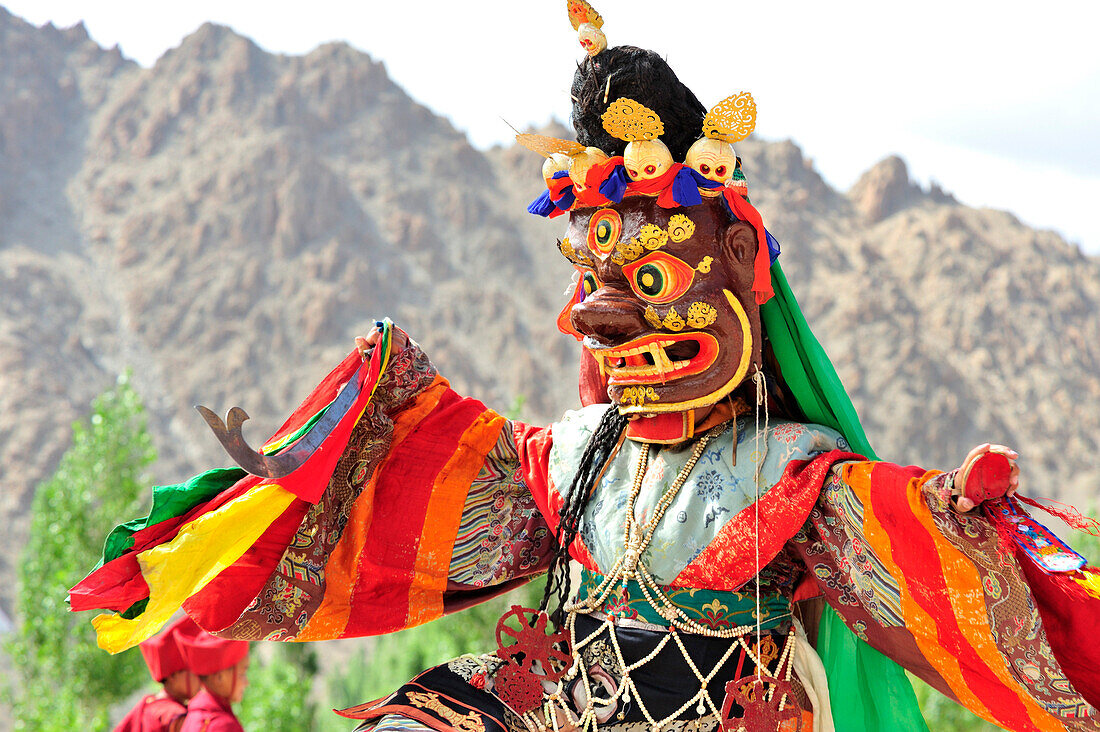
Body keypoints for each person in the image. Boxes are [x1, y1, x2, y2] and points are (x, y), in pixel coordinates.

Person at [72, 3, 1100, 730]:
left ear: (736, 265)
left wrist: (966, 521)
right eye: (590, 278)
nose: (595, 317)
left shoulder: (794, 469)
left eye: (646, 281)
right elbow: (415, 489)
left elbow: (920, 556)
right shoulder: (568, 456)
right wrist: (331, 446)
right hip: (559, 703)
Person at [114, 616, 201, 732]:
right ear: (173, 676)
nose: (201, 677)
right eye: (194, 672)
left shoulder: (150, 704)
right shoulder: (174, 716)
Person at [177, 633, 249, 732]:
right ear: (219, 678)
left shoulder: (193, 717)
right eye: (242, 674)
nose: (246, 683)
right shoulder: (222, 726)